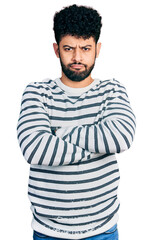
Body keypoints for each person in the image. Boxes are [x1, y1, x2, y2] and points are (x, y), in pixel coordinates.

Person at [17, 4, 136, 240]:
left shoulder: (112, 90)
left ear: (97, 49)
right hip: (48, 231)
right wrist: (98, 145)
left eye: (86, 48)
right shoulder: (37, 92)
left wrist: (57, 133)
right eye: (69, 48)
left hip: (102, 230)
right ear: (56, 49)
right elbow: (35, 148)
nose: (77, 58)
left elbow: (121, 137)